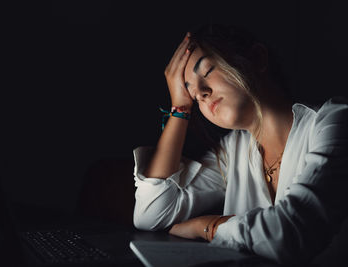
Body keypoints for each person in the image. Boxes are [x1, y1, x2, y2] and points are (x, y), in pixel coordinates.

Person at [132, 23, 348, 265]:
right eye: (193, 96)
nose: (201, 93)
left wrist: (209, 227)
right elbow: (150, 213)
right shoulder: (231, 152)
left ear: (257, 59)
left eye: (207, 71)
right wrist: (180, 109)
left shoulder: (334, 121)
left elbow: (289, 234)